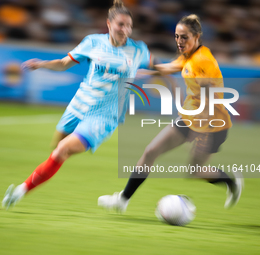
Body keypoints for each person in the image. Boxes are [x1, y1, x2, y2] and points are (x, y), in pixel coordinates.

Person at [2, 0, 153, 209]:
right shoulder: (93, 42)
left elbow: (159, 67)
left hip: (105, 116)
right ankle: (42, 174)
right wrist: (42, 64)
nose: (125, 30)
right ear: (109, 24)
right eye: (121, 24)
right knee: (55, 149)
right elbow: (65, 63)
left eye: (129, 26)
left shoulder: (138, 50)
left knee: (61, 151)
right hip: (79, 105)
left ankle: (20, 190)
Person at [98, 14, 244, 213]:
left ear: (197, 36)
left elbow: (212, 98)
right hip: (189, 118)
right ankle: (122, 200)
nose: (179, 41)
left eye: (184, 37)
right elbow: (169, 68)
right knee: (150, 152)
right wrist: (140, 72)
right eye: (177, 36)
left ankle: (231, 181)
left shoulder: (204, 61)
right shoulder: (188, 56)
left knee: (195, 171)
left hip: (212, 123)